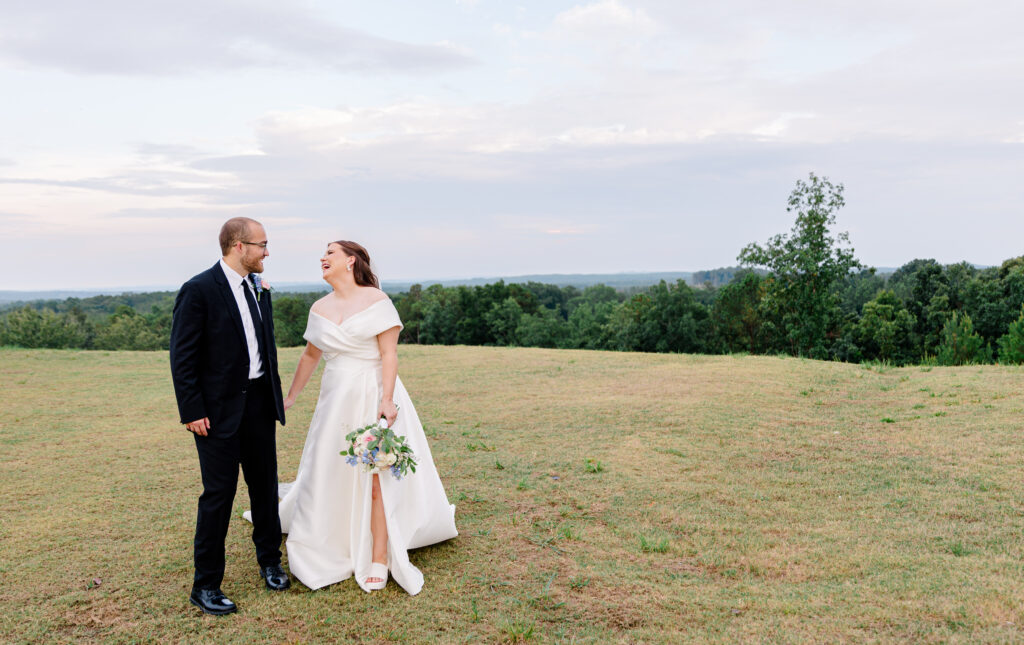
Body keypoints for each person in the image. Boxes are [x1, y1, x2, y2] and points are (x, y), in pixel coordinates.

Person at [252, 240, 457, 595]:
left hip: (374, 394)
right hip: (335, 399)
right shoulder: (319, 307)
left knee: (377, 473)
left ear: (350, 261)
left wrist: (387, 399)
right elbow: (310, 356)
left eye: (329, 252)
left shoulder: (378, 301)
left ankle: (378, 555)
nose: (322, 258)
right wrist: (290, 397)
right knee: (330, 468)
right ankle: (329, 536)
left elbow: (389, 355)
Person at [169, 217, 291, 616]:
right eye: (262, 245)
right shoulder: (199, 290)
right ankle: (205, 585)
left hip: (258, 404)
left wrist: (273, 396)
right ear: (239, 246)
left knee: (264, 486)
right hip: (216, 412)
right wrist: (192, 410)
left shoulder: (257, 287)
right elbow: (182, 356)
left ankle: (269, 563)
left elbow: (263, 348)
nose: (267, 252)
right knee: (218, 496)